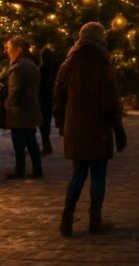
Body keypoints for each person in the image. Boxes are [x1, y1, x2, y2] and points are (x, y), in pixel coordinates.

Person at [53, 22, 127, 236]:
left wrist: (61, 123)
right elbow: (111, 102)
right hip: (98, 129)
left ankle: (67, 220)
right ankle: (95, 220)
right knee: (98, 176)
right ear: (100, 39)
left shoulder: (69, 64)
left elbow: (58, 97)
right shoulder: (103, 64)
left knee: (77, 175)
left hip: (75, 128)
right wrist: (118, 129)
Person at [3, 37, 43, 179]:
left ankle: (20, 169)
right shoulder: (31, 64)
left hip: (20, 112)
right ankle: (37, 168)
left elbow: (15, 91)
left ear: (18, 50)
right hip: (30, 109)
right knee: (31, 140)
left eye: (9, 48)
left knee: (20, 142)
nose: (6, 51)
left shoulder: (19, 68)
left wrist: (7, 103)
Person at [38, 46, 60, 154]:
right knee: (47, 122)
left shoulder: (42, 68)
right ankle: (46, 144)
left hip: (43, 98)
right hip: (51, 97)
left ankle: (46, 144)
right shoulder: (57, 67)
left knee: (43, 124)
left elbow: (40, 84)